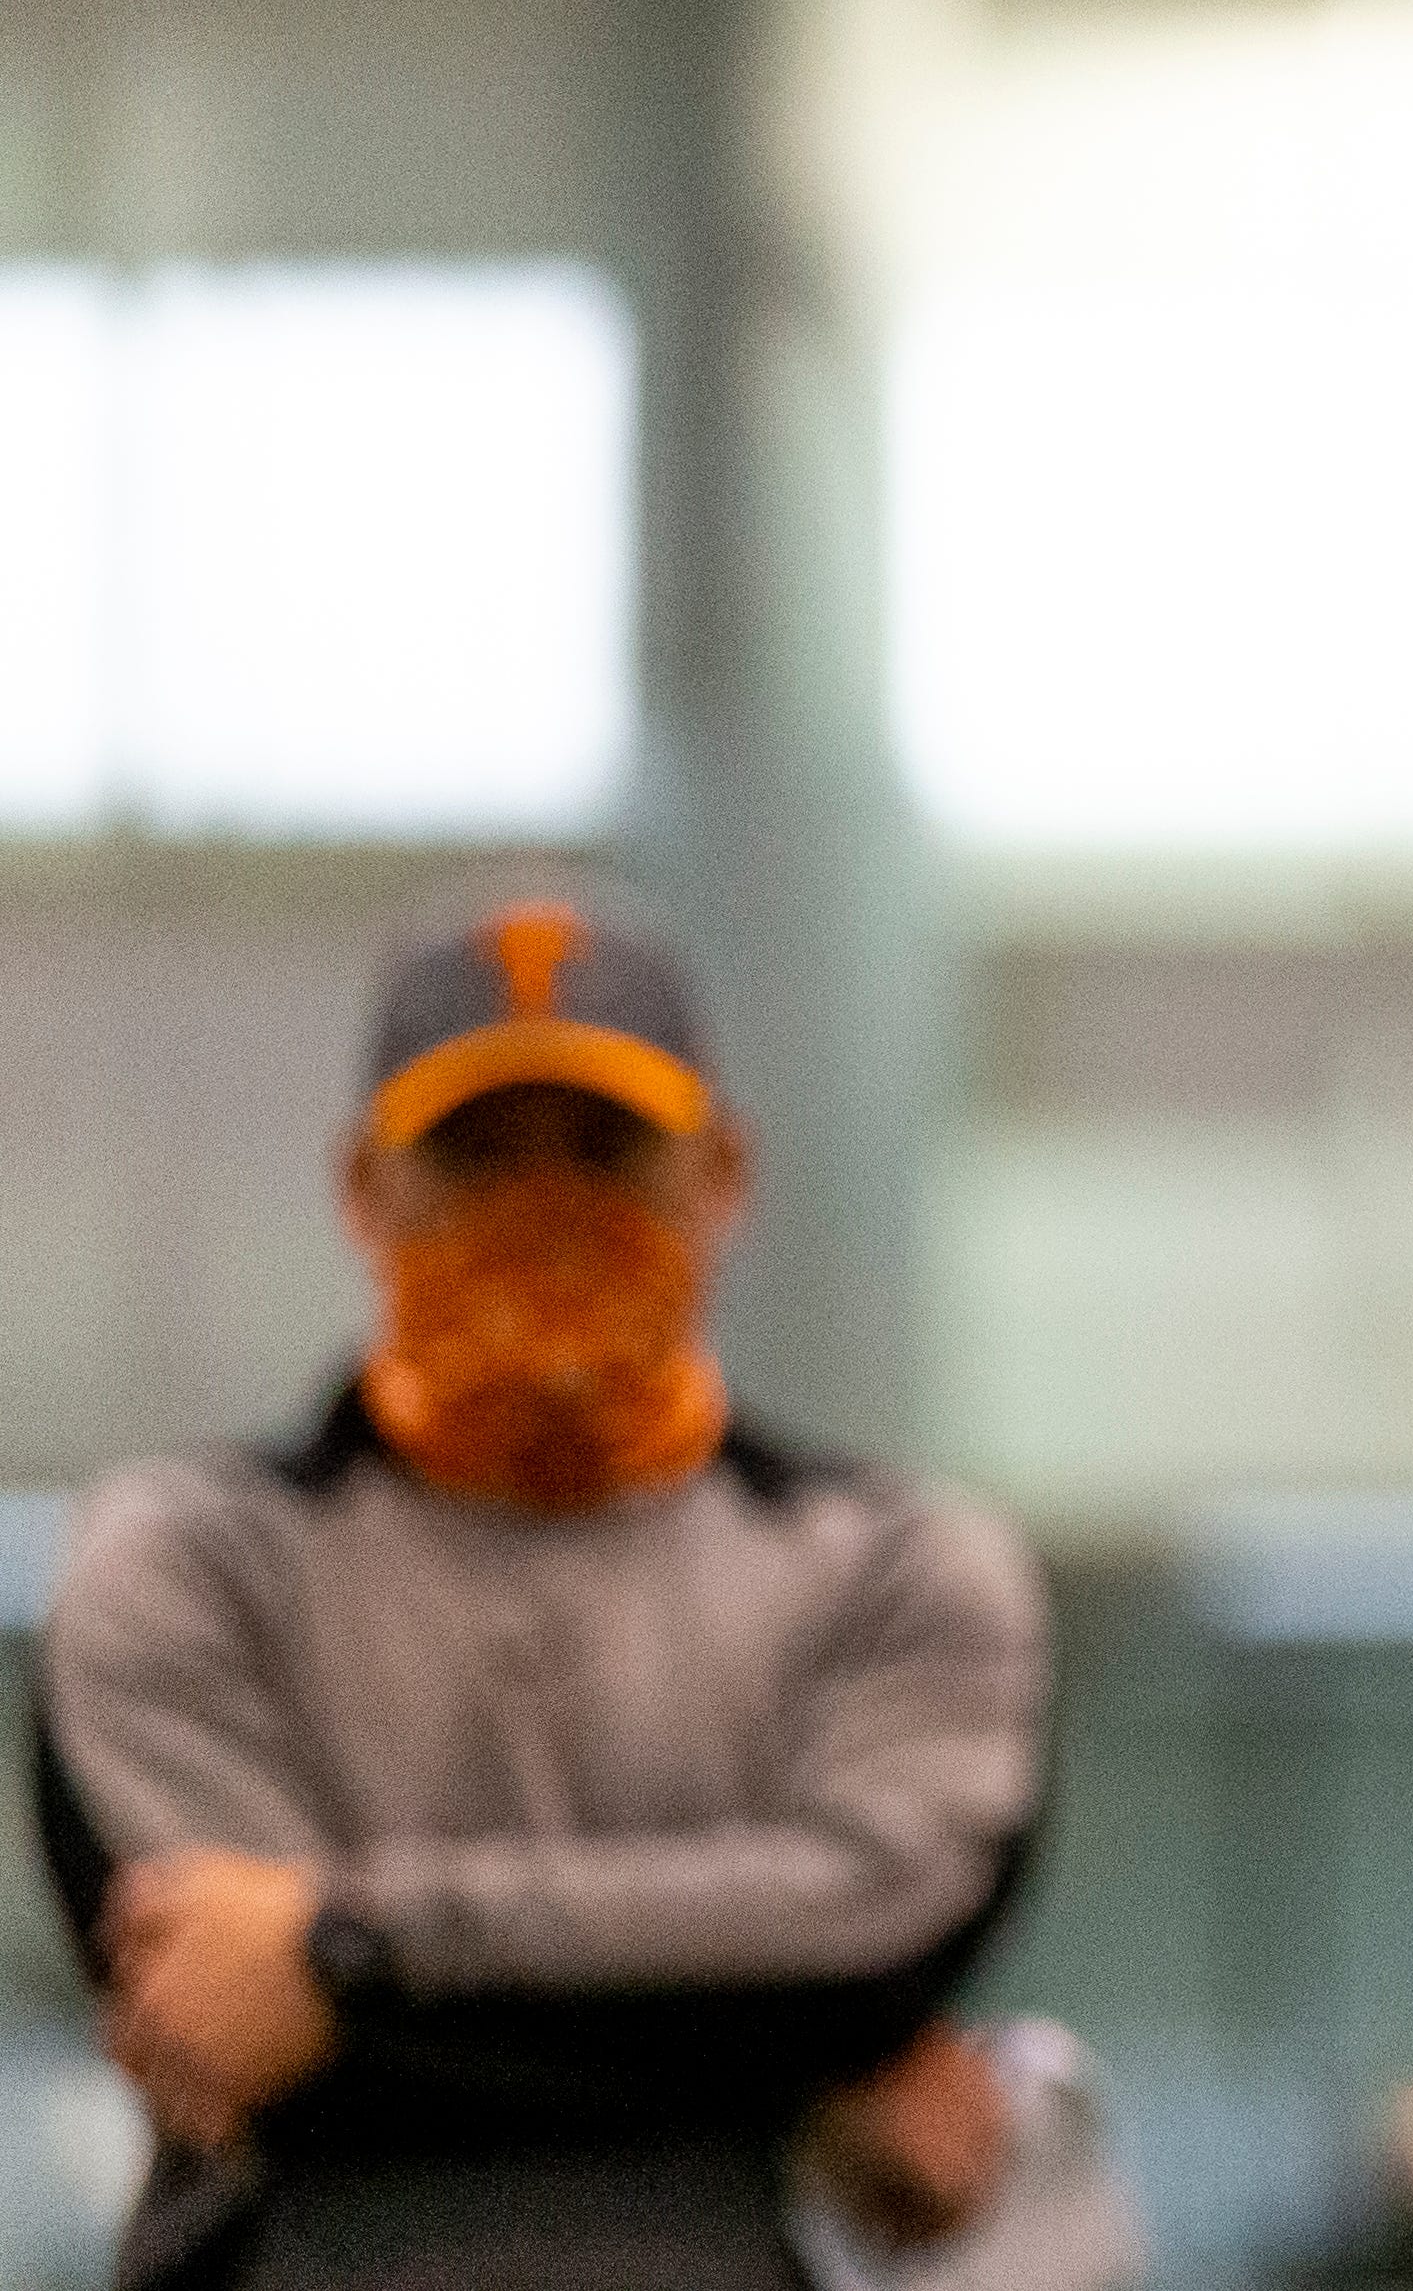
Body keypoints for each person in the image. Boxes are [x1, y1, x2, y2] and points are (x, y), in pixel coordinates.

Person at [32, 882, 1055, 2291]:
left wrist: (343, 1957)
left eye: (604, 1148)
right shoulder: (185, 1560)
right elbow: (221, 2027)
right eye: (477, 1154)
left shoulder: (895, 1567)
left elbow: (877, 1940)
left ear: (723, 1178)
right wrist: (787, 2063)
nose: (545, 1210)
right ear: (364, 1188)